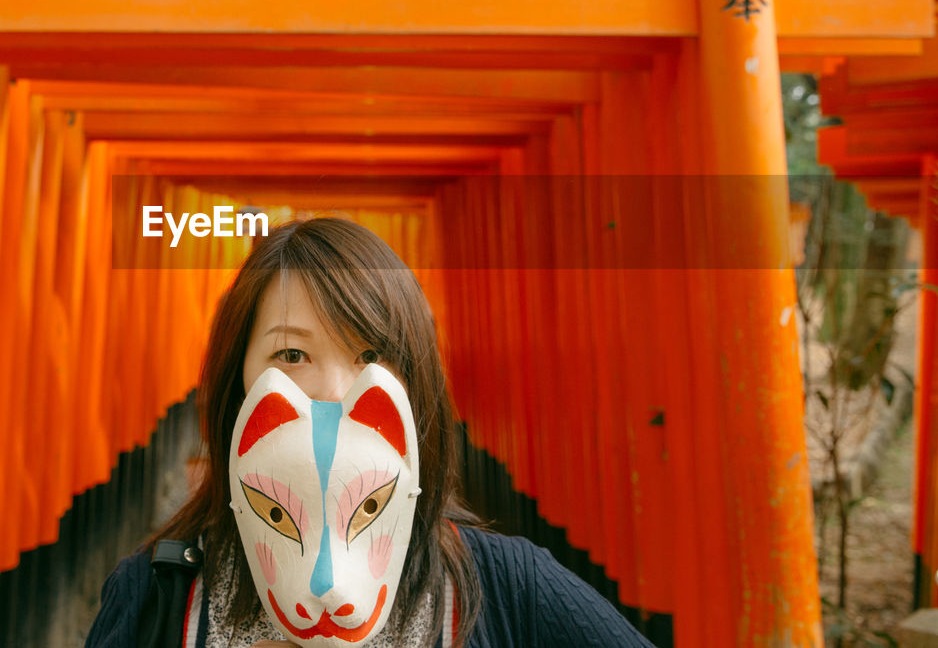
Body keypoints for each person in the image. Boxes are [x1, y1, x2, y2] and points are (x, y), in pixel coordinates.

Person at [86, 217, 656, 648]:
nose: (334, 392)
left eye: (371, 354)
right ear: (240, 381)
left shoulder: (508, 586)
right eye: (292, 353)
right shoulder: (157, 596)